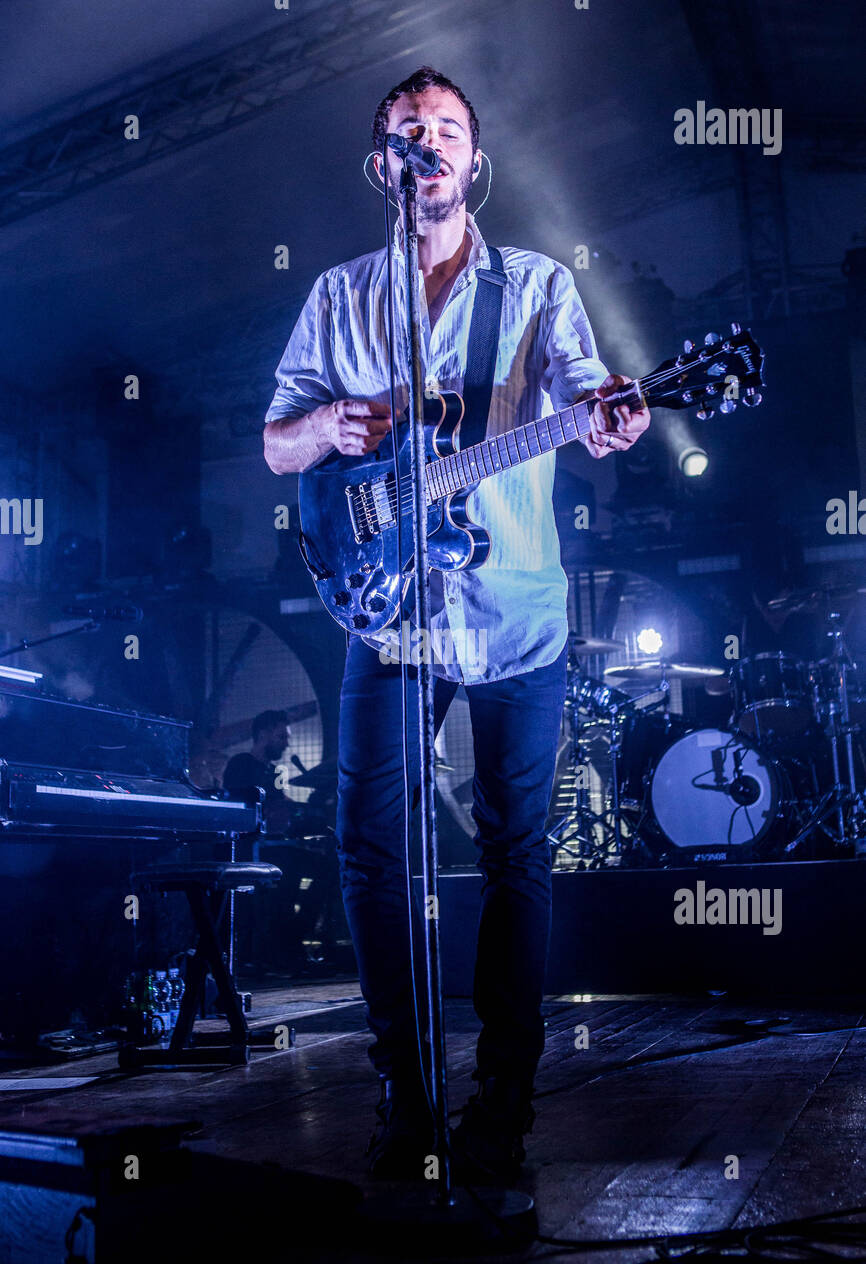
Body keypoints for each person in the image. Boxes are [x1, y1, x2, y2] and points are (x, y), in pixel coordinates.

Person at [263, 67, 650, 1180]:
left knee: (514, 849)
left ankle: (505, 1102)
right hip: (383, 604)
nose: (424, 147)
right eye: (404, 133)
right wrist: (328, 428)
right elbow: (275, 446)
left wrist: (611, 416)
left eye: (444, 132)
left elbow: (585, 397)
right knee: (370, 845)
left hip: (513, 607)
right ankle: (403, 1086)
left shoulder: (534, 284)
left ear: (474, 161)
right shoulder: (338, 297)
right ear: (379, 165)